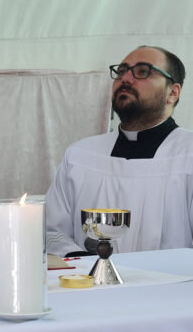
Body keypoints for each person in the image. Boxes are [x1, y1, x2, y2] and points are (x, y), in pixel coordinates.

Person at [46, 45, 192, 256]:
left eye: (143, 72)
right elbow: (52, 232)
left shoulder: (188, 154)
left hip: (171, 286)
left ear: (172, 92)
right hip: (88, 285)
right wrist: (90, 268)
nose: (126, 79)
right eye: (121, 71)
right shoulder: (80, 155)